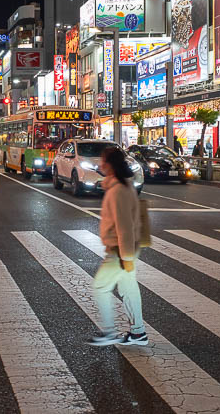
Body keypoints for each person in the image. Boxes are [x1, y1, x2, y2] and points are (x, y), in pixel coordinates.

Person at [86, 146, 147, 347]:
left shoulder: (118, 190)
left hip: (120, 251)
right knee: (128, 289)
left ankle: (109, 332)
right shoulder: (122, 186)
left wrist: (126, 257)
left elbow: (125, 227)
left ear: (111, 165)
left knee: (100, 287)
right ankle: (138, 333)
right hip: (126, 248)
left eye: (104, 161)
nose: (100, 164)